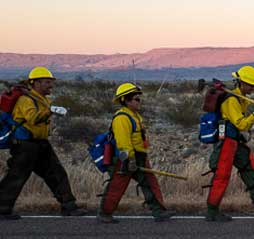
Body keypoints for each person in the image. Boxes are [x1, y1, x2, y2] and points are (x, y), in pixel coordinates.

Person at [0, 67, 86, 220]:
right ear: (35, 83)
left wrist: (50, 110)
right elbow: (32, 118)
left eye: (51, 82)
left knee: (57, 173)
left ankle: (69, 207)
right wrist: (50, 111)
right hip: (24, 145)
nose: (50, 85)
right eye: (47, 82)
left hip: (40, 143)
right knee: (17, 176)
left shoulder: (43, 99)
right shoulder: (25, 100)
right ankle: (2, 209)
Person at [205, 66, 254, 222]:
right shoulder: (231, 100)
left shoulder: (240, 98)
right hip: (227, 142)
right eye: (250, 85)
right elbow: (242, 124)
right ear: (241, 83)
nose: (252, 88)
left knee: (249, 169)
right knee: (221, 176)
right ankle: (212, 211)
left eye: (253, 85)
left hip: (236, 141)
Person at [97, 83, 175, 223]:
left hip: (139, 156)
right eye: (136, 99)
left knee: (150, 183)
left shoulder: (134, 116)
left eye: (139, 99)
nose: (139, 102)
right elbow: (123, 142)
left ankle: (159, 212)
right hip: (125, 159)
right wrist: (130, 160)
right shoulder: (122, 118)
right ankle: (104, 214)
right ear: (126, 100)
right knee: (116, 187)